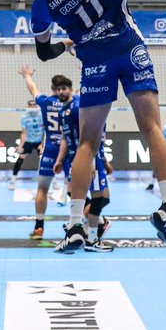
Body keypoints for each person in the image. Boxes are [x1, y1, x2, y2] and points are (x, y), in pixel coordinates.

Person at [26, 0, 166, 250]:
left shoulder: (42, 3)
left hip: (94, 62)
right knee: (151, 127)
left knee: (86, 142)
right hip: (128, 47)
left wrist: (65, 45)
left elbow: (43, 53)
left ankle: (76, 224)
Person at [54, 94, 114, 253]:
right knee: (97, 197)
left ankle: (84, 228)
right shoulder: (80, 110)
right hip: (86, 158)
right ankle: (88, 235)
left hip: (92, 157)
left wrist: (104, 161)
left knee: (102, 198)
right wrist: (91, 161)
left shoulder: (91, 110)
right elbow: (82, 139)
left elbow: (94, 139)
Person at [18, 65, 72, 240]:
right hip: (69, 149)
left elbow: (32, 88)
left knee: (42, 188)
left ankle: (39, 227)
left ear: (52, 90)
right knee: (74, 190)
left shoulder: (46, 102)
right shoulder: (72, 102)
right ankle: (83, 224)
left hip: (50, 150)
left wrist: (27, 76)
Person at [9, 98, 44, 190]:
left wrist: (42, 144)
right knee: (20, 158)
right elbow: (24, 133)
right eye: (30, 105)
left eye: (34, 105)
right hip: (28, 141)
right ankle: (12, 181)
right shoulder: (24, 117)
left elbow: (46, 132)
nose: (33, 107)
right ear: (28, 107)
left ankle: (54, 182)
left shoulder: (42, 115)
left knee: (45, 160)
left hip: (39, 141)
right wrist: (21, 146)